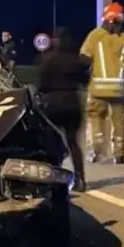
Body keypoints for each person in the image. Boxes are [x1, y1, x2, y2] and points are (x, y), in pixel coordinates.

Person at [79, 2, 124, 165]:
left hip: (98, 89)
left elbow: (84, 58)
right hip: (119, 90)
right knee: (119, 122)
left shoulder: (95, 35)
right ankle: (119, 154)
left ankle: (95, 151)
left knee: (95, 119)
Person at [38, 27, 88, 191]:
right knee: (73, 142)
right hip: (73, 102)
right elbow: (85, 79)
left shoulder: (50, 60)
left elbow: (43, 85)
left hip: (54, 104)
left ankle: (51, 180)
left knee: (49, 141)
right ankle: (80, 180)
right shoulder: (77, 61)